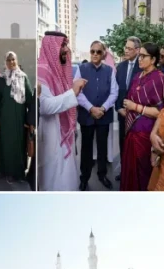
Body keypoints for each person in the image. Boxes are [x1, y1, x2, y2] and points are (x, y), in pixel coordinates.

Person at [38, 31, 85, 191]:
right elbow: (45, 106)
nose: (66, 49)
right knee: (55, 180)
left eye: (66, 44)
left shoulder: (59, 71)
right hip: (52, 134)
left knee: (67, 177)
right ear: (52, 46)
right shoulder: (42, 71)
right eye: (62, 45)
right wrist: (73, 92)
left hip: (65, 133)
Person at [120, 42, 164, 191]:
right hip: (131, 131)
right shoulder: (137, 76)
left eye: (143, 56)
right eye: (139, 56)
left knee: (143, 173)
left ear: (153, 59)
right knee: (129, 170)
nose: (139, 59)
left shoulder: (159, 79)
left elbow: (161, 112)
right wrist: (126, 108)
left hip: (146, 133)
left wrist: (134, 107)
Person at [75, 40, 118, 191]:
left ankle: (102, 175)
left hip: (104, 116)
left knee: (102, 148)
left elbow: (114, 92)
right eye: (92, 51)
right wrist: (91, 108)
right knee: (86, 149)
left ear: (104, 54)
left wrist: (103, 108)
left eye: (98, 52)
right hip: (87, 115)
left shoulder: (109, 71)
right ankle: (84, 178)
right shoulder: (81, 69)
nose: (94, 54)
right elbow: (77, 92)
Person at [0, 51, 33, 184]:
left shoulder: (23, 77)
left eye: (13, 59)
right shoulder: (1, 79)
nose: (11, 62)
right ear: (5, 62)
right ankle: (6, 171)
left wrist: (30, 121)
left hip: (20, 121)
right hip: (5, 120)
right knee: (6, 145)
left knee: (19, 146)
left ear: (17, 60)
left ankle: (18, 172)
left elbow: (30, 100)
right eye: (8, 60)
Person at [116, 36, 142, 181]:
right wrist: (118, 108)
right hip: (122, 114)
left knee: (136, 146)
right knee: (123, 144)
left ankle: (136, 174)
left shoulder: (142, 67)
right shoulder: (120, 67)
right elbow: (116, 91)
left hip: (137, 116)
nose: (126, 50)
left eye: (129, 48)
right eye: (125, 47)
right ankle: (124, 171)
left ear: (137, 50)